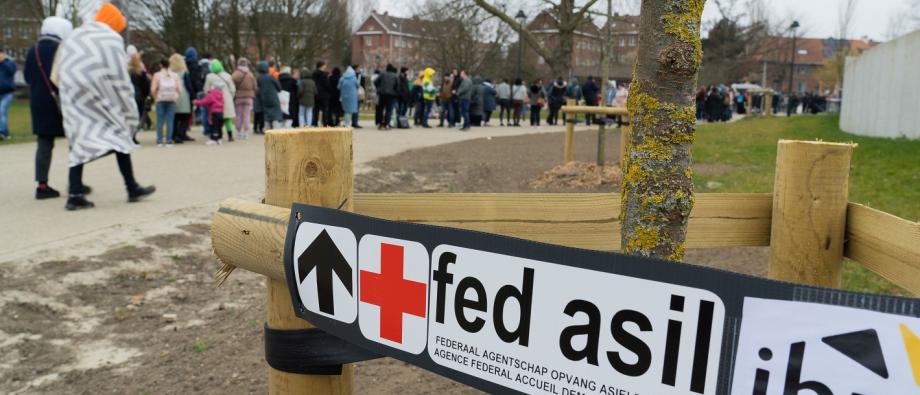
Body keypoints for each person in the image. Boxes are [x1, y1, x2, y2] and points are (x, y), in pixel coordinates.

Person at [57, 3, 155, 210]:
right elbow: (118, 75)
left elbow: (62, 67)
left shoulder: (75, 35)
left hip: (75, 95)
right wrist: (126, 103)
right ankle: (132, 187)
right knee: (120, 136)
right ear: (114, 23)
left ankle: (74, 194)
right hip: (102, 97)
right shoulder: (111, 39)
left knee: (80, 139)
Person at [25, 16, 73, 199]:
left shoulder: (32, 51)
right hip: (61, 100)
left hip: (38, 101)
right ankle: (75, 182)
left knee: (44, 144)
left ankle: (42, 184)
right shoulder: (63, 49)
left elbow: (28, 77)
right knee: (74, 142)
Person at [203, 59, 236, 142]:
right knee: (228, 118)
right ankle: (230, 135)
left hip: (214, 100)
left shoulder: (209, 77)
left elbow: (206, 89)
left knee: (216, 119)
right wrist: (231, 97)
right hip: (227, 98)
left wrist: (209, 98)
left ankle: (217, 134)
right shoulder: (228, 76)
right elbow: (233, 89)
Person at [151, 58, 181, 147]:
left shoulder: (157, 75)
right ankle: (168, 141)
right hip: (171, 100)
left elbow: (153, 89)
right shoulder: (175, 75)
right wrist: (176, 97)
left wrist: (155, 97)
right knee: (170, 121)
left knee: (160, 121)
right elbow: (179, 89)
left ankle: (160, 141)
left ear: (161, 65)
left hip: (160, 99)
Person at [169, 53, 193, 143]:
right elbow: (188, 86)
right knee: (185, 117)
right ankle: (180, 134)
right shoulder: (184, 73)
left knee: (175, 117)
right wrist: (193, 96)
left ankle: (173, 135)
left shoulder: (170, 73)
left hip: (172, 94)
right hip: (183, 96)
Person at [231, 57, 257, 139]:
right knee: (247, 115)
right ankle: (246, 132)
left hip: (238, 97)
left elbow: (231, 85)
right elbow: (255, 86)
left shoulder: (235, 74)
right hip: (249, 97)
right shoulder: (250, 74)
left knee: (238, 115)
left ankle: (238, 132)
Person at [127, 46, 150, 135]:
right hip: (139, 96)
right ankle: (134, 134)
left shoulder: (127, 71)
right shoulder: (141, 72)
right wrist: (146, 94)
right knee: (138, 116)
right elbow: (145, 86)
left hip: (129, 95)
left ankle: (130, 135)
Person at [256, 61, 283, 130]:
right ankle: (276, 129)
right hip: (273, 98)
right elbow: (279, 87)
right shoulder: (271, 77)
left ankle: (267, 129)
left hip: (264, 98)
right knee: (276, 114)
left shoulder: (258, 78)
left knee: (267, 114)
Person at [0, 47, 17, 141]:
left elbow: (11, 71)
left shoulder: (10, 62)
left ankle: (2, 132)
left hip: (7, 92)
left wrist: (2, 63)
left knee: (2, 111)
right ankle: (5, 132)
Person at [376, 64, 398, 130]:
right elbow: (397, 85)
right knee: (389, 110)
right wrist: (395, 92)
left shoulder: (382, 74)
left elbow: (375, 81)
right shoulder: (395, 76)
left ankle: (380, 123)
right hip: (391, 95)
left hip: (382, 94)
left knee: (381, 109)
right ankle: (386, 124)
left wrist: (379, 88)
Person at [311, 61, 329, 126]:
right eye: (324, 65)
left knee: (316, 110)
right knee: (325, 110)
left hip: (315, 94)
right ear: (321, 66)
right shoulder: (324, 75)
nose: (325, 66)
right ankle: (325, 123)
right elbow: (327, 85)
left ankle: (314, 123)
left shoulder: (313, 74)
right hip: (324, 95)